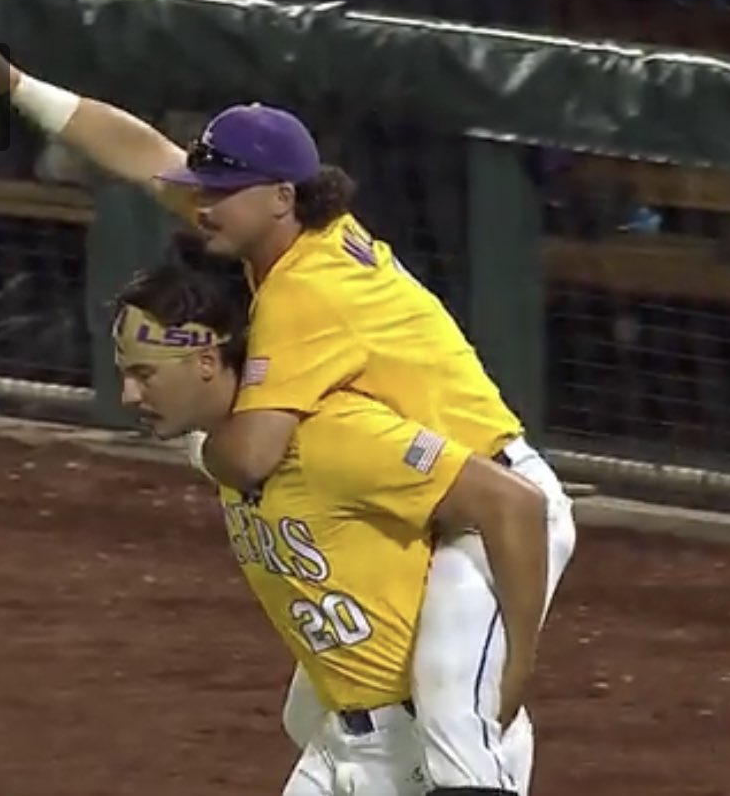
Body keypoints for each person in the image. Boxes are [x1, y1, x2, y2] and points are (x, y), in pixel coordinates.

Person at [0, 29, 577, 796]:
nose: (199, 202)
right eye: (201, 185)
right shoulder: (288, 233)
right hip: (423, 494)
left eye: (218, 189)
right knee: (324, 708)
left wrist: (521, 658)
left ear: (280, 195)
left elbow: (250, 457)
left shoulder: (305, 294)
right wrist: (16, 86)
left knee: (449, 707)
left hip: (493, 509)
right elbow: (140, 151)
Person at [112, 261, 547, 796]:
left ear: (206, 362)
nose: (129, 396)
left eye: (144, 374)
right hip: (343, 743)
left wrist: (516, 667)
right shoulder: (216, 447)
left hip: (426, 745)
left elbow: (516, 504)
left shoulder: (335, 435)